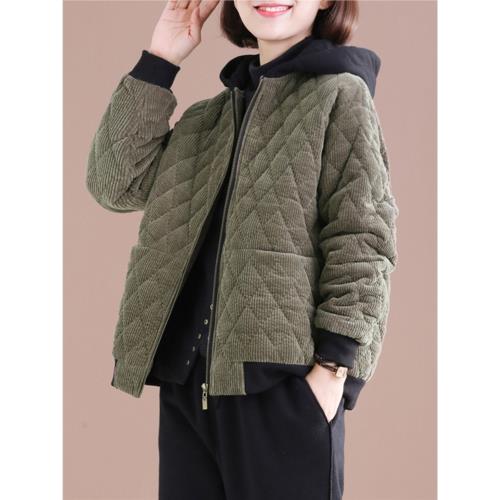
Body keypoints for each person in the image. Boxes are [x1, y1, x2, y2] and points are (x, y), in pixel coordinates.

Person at [86, 1, 399, 499]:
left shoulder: (340, 96)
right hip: (190, 392)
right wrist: (162, 56)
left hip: (281, 392)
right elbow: (114, 182)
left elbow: (363, 238)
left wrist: (334, 371)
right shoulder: (206, 120)